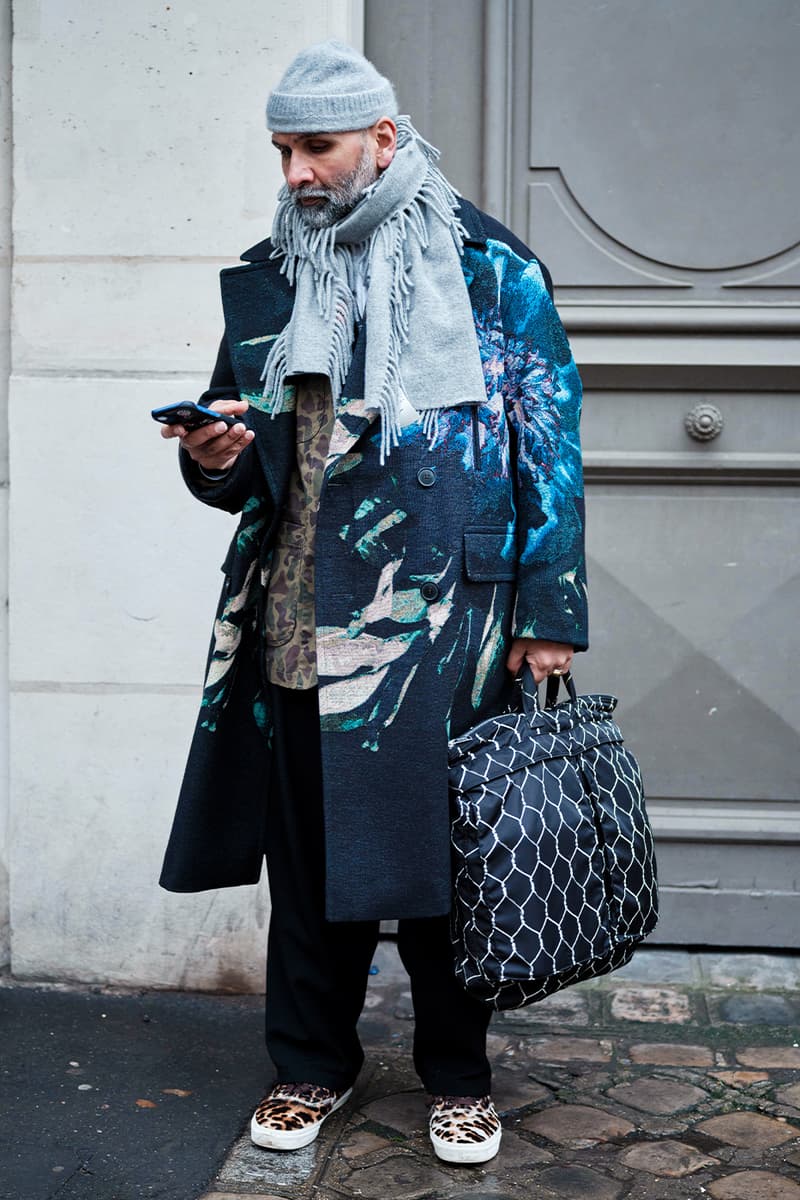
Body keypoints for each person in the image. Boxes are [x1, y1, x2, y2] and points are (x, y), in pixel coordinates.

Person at [158, 40, 587, 1166]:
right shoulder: (273, 271)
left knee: (449, 858)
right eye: (282, 150)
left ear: (382, 139)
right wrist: (213, 453)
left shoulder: (494, 271)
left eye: (317, 147)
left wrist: (549, 614)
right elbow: (245, 443)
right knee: (308, 858)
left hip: (451, 617)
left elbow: (547, 448)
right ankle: (311, 1063)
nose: (296, 172)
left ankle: (458, 1077)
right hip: (304, 608)